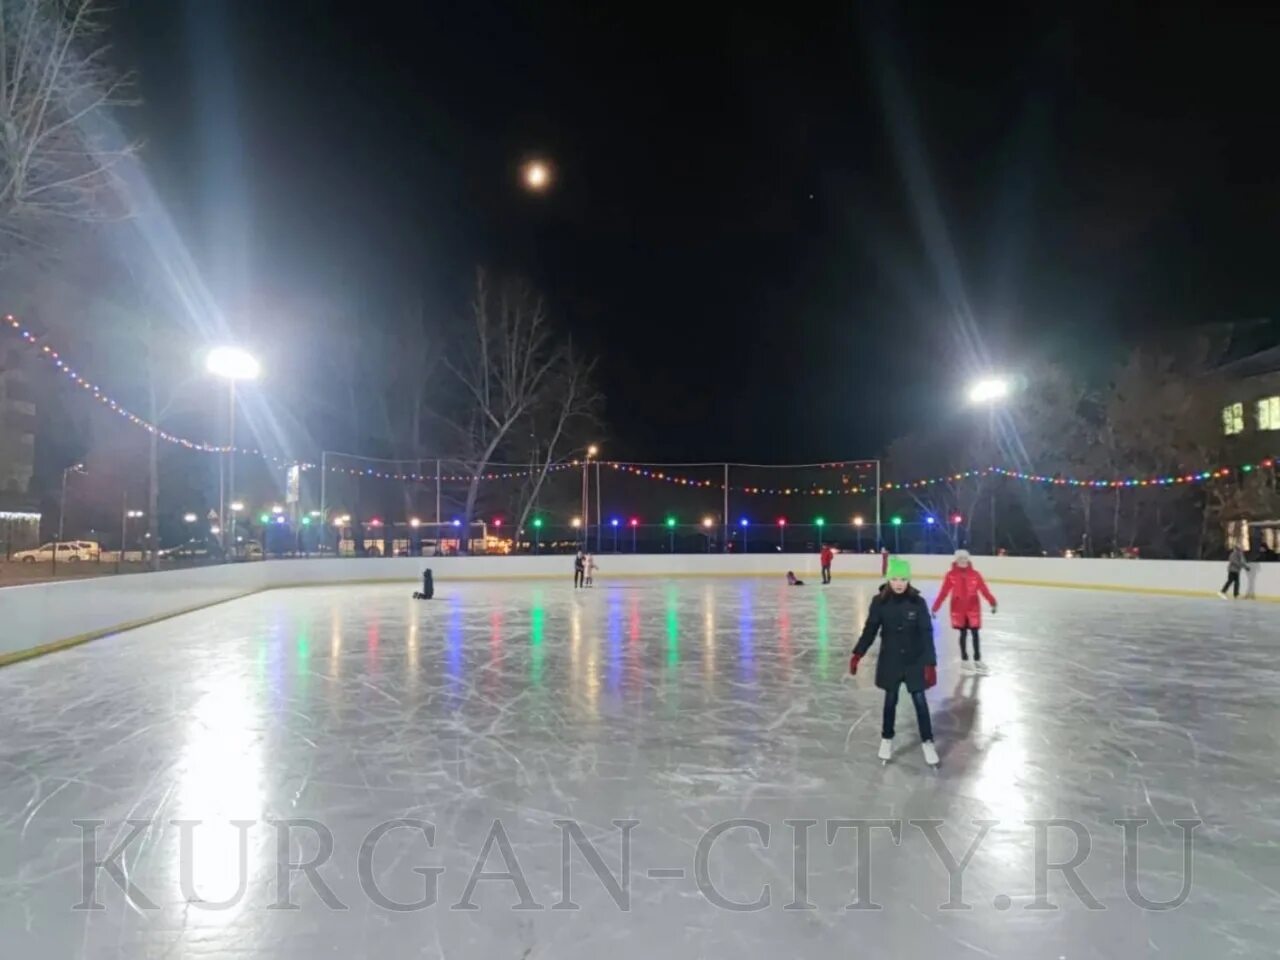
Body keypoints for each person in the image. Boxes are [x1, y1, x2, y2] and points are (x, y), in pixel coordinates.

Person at [850, 556, 939, 768]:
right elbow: (870, 630)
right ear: (889, 579)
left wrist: (930, 663)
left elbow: (926, 633)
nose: (899, 583)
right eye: (895, 579)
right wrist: (858, 653)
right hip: (891, 660)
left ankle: (927, 741)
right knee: (890, 701)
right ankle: (886, 739)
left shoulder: (918, 603)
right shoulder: (879, 602)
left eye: (903, 579)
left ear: (909, 580)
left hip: (915, 660)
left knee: (920, 701)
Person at [931, 549, 997, 673]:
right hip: (959, 610)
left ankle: (977, 659)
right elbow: (943, 592)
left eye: (965, 558)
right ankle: (964, 660)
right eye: (960, 559)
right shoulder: (951, 575)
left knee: (975, 634)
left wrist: (992, 602)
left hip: (973, 609)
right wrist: (935, 607)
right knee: (963, 634)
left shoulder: (975, 574)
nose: (963, 561)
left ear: (968, 559)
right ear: (956, 560)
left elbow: (984, 590)